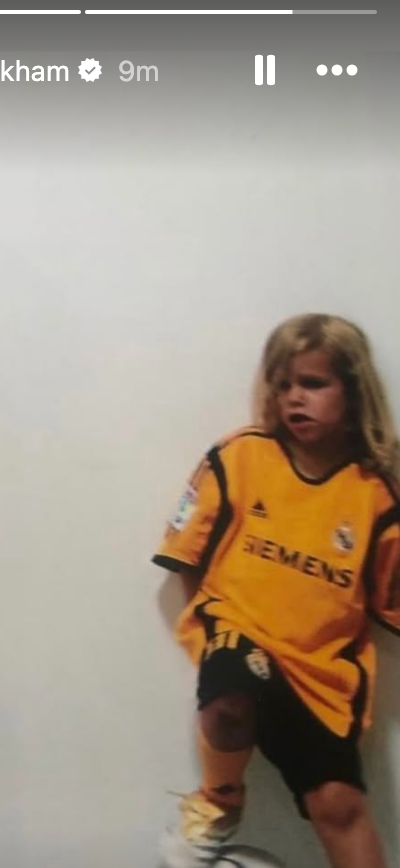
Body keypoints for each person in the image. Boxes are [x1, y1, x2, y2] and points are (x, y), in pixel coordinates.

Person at [152, 313, 400, 868]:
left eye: (313, 383)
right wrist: (215, 620)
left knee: (338, 805)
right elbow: (186, 551)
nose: (295, 398)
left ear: (354, 391)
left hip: (322, 674)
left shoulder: (377, 495)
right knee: (229, 698)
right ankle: (218, 803)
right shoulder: (241, 458)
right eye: (283, 384)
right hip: (241, 635)